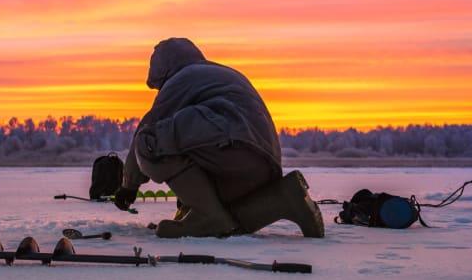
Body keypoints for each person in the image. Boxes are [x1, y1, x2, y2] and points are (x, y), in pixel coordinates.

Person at [113, 37, 324, 239]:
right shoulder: (221, 74)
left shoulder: (181, 79)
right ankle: (285, 197)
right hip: (261, 168)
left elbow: (145, 132)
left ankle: (207, 216)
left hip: (232, 150)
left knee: (150, 142)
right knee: (230, 220)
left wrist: (128, 186)